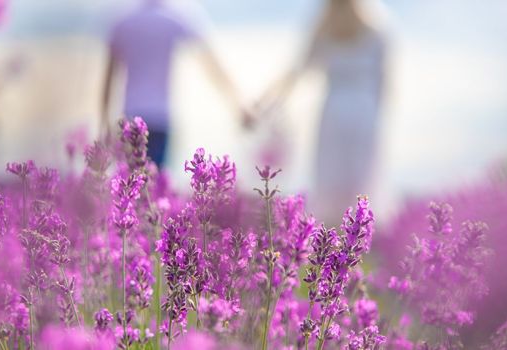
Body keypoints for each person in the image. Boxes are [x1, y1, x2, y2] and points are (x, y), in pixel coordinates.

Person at [258, 0, 389, 222]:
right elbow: (384, 83)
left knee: (331, 179)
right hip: (365, 112)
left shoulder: (325, 28)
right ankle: (360, 243)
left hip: (334, 110)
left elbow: (296, 72)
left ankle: (331, 241)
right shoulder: (378, 29)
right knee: (361, 181)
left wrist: (264, 102)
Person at [101, 0, 252, 167]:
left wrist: (105, 123)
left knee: (130, 184)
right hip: (161, 118)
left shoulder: (122, 20)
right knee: (156, 183)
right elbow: (211, 66)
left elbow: (109, 78)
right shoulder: (176, 16)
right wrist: (238, 104)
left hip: (129, 117)